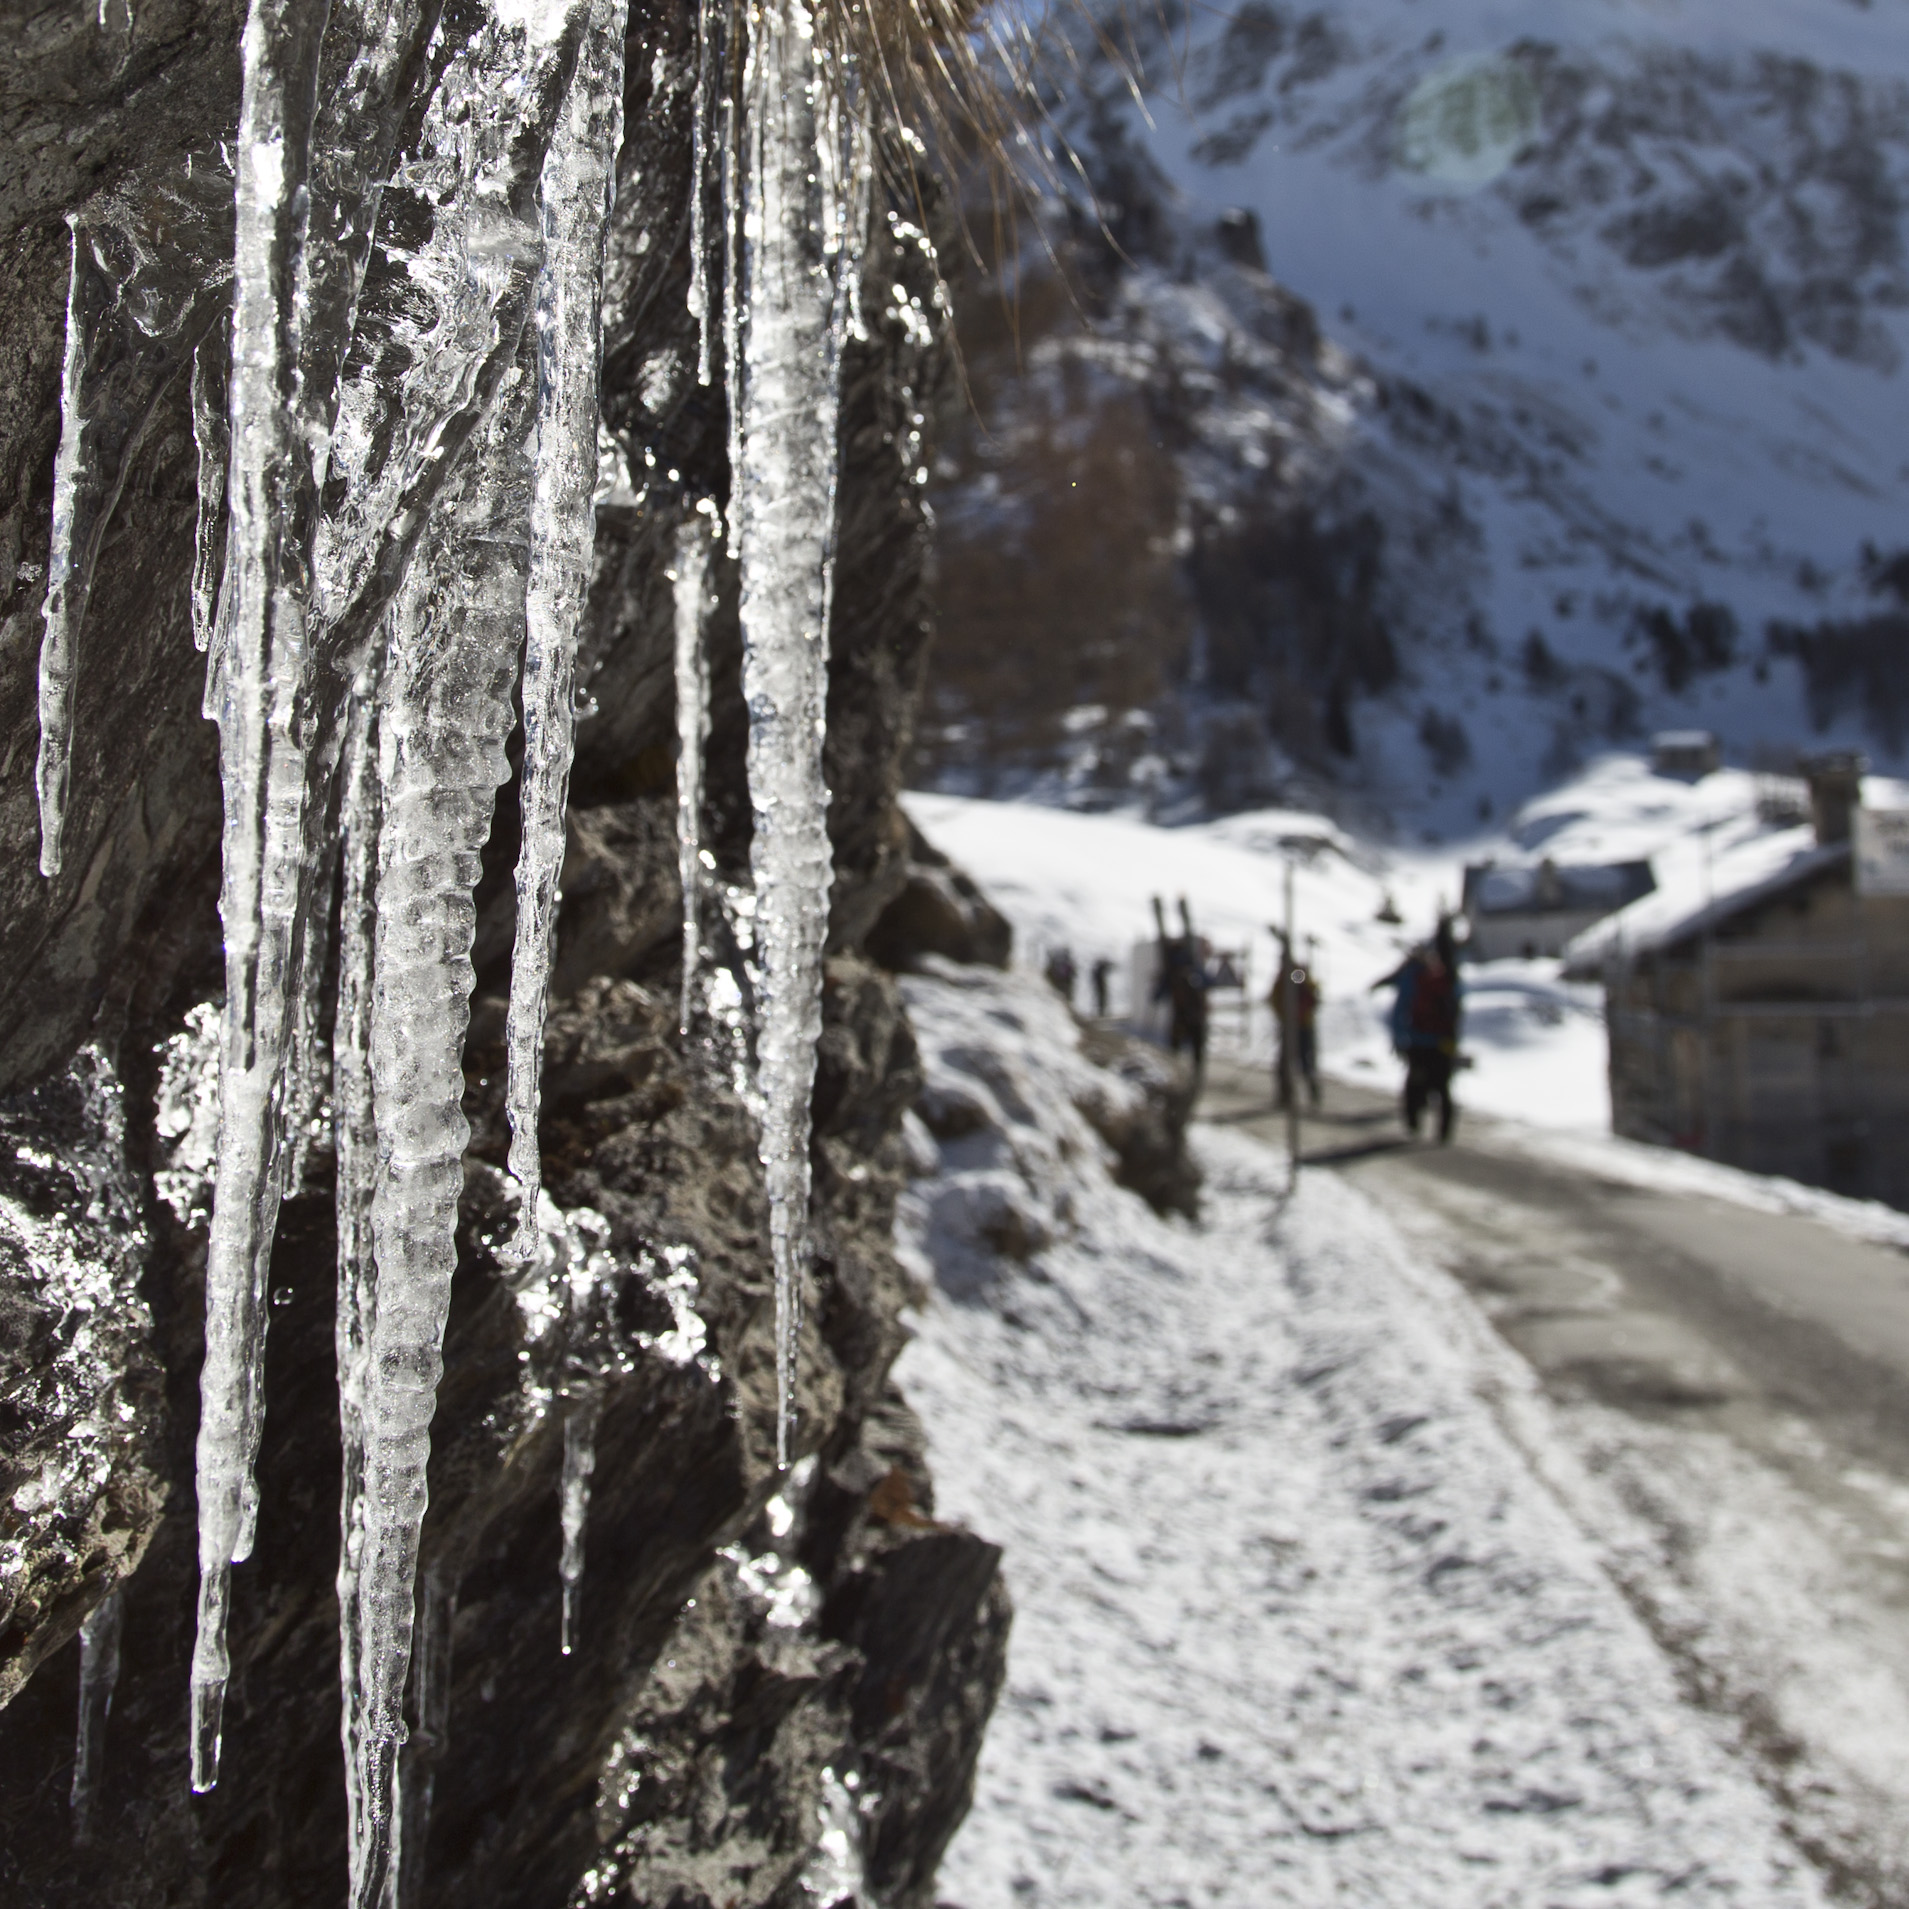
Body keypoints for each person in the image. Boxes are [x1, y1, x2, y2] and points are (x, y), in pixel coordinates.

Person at [1377, 919, 1462, 1142]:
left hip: (1418, 1041)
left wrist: (1399, 1038)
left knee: (1415, 1084)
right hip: (1441, 1042)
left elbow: (1399, 1010)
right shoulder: (1445, 978)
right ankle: (1443, 1131)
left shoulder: (1414, 977)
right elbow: (1457, 1006)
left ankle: (1414, 1124)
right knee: (1442, 1087)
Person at [1270, 945, 1321, 1109]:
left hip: (1301, 1026)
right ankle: (1286, 1095)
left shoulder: (1295, 974)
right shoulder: (1286, 976)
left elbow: (1306, 993)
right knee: (1287, 1063)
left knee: (1302, 1062)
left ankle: (1310, 1094)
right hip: (1292, 1025)